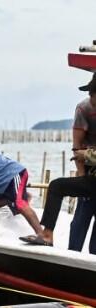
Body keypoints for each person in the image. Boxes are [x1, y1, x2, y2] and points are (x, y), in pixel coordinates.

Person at [68, 73, 96, 254]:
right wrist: (81, 176)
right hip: (87, 165)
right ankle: (72, 254)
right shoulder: (84, 109)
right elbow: (77, 147)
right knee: (82, 215)